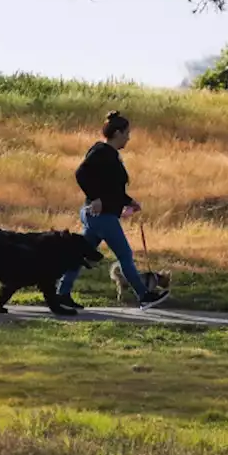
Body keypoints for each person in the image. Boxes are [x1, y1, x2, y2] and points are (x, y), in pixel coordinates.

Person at [58, 111, 170, 310]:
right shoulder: (101, 151)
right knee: (125, 255)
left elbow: (112, 188)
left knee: (80, 254)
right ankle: (144, 295)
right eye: (127, 133)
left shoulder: (110, 154)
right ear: (117, 133)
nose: (129, 137)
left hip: (99, 215)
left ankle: (62, 293)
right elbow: (81, 173)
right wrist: (95, 198)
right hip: (102, 216)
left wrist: (129, 201)